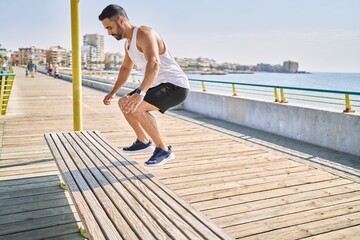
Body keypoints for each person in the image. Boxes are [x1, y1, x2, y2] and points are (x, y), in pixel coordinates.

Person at [99, 4, 190, 167]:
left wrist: (141, 93)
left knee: (138, 107)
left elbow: (154, 63)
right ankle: (143, 141)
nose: (109, 33)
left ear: (121, 20)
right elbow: (126, 68)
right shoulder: (127, 44)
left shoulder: (143, 33)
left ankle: (163, 150)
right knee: (124, 103)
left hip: (175, 85)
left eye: (110, 27)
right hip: (157, 84)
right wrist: (113, 92)